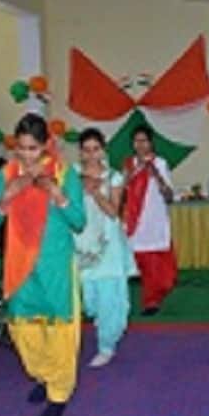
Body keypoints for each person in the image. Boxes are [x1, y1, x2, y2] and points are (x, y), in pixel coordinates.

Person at [0, 113, 86, 416]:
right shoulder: (6, 175)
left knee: (60, 328)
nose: (26, 155)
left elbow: (79, 222)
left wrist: (58, 195)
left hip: (55, 263)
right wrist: (7, 196)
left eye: (33, 148)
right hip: (19, 265)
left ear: (46, 145)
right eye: (21, 148)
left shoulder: (65, 173)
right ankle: (44, 376)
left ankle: (59, 392)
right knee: (24, 328)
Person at [75, 128, 136, 367]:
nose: (91, 155)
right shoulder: (72, 175)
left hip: (108, 243)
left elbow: (113, 212)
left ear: (103, 150)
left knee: (109, 296)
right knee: (88, 297)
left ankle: (106, 345)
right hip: (80, 242)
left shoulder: (114, 177)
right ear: (80, 152)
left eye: (96, 149)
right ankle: (99, 322)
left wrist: (96, 193)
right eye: (86, 150)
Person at [123, 125, 177, 316]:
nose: (140, 145)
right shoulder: (129, 165)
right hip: (135, 220)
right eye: (136, 141)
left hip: (155, 220)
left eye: (144, 141)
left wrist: (155, 174)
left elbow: (169, 196)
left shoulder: (160, 163)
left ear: (151, 143)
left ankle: (155, 296)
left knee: (159, 268)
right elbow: (121, 191)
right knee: (142, 265)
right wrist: (129, 177)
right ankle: (149, 301)